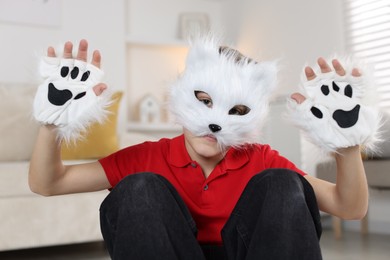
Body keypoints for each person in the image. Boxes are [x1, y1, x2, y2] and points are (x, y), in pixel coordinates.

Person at [29, 37, 377, 260]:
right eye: (204, 101)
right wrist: (51, 125)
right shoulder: (147, 157)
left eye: (236, 111)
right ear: (181, 95)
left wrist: (346, 146)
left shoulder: (260, 160)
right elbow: (49, 183)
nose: (215, 122)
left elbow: (350, 207)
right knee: (139, 187)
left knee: (282, 182)